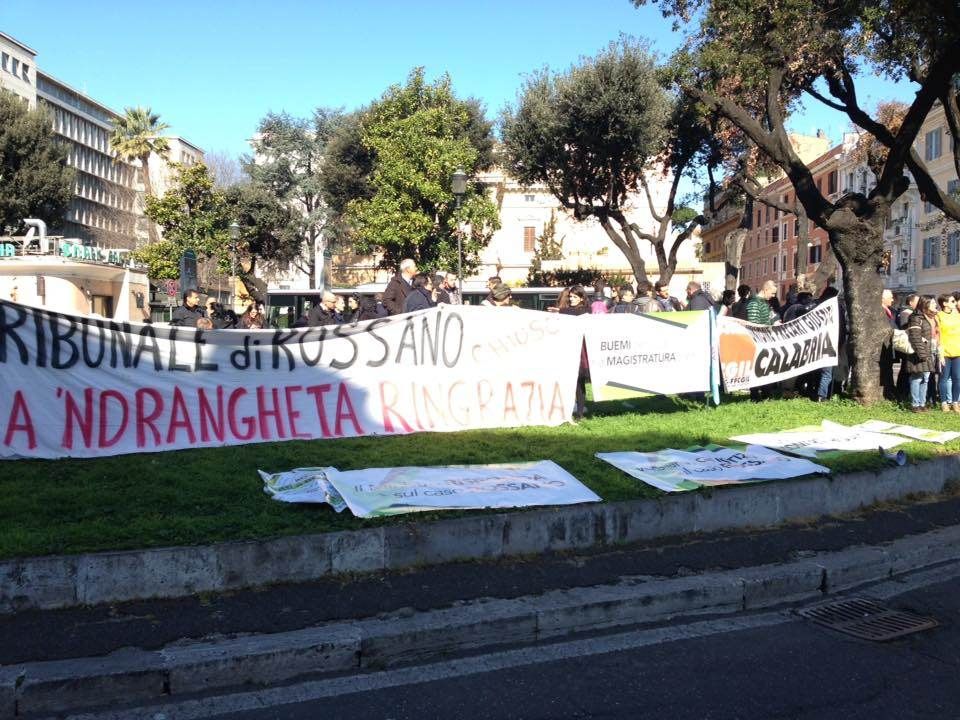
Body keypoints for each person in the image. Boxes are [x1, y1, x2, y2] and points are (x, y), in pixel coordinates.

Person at [560, 286, 590, 419]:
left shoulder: (585, 311)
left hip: (580, 352)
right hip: (568, 349)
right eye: (570, 296)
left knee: (579, 382)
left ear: (582, 298)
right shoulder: (567, 311)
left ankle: (580, 412)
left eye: (575, 297)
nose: (571, 299)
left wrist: (559, 311)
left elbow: (578, 313)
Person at [747, 280, 779, 401]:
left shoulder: (763, 303)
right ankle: (755, 395)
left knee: (765, 369)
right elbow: (754, 325)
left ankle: (766, 393)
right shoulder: (754, 303)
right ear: (766, 290)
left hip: (765, 341)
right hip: (758, 342)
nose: (773, 296)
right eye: (772, 293)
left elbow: (766, 320)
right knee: (757, 368)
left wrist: (773, 322)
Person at [906, 296, 937, 412]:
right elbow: (915, 337)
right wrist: (922, 354)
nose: (935, 305)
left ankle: (922, 403)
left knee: (926, 379)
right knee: (917, 378)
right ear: (926, 304)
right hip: (918, 353)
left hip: (928, 352)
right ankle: (915, 404)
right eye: (933, 303)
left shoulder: (928, 317)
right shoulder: (915, 317)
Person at [936, 293, 960, 412]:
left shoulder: (958, 316)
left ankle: (955, 402)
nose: (955, 303)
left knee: (957, 378)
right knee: (944, 378)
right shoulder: (938, 316)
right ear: (944, 303)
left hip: (958, 351)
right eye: (952, 301)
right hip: (944, 352)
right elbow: (937, 335)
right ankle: (944, 403)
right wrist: (940, 351)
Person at [880, 288, 898, 400]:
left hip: (890, 345)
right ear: (883, 298)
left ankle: (890, 391)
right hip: (883, 346)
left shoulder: (891, 310)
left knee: (889, 368)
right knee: (885, 369)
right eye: (890, 297)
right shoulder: (879, 310)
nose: (892, 299)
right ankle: (887, 392)